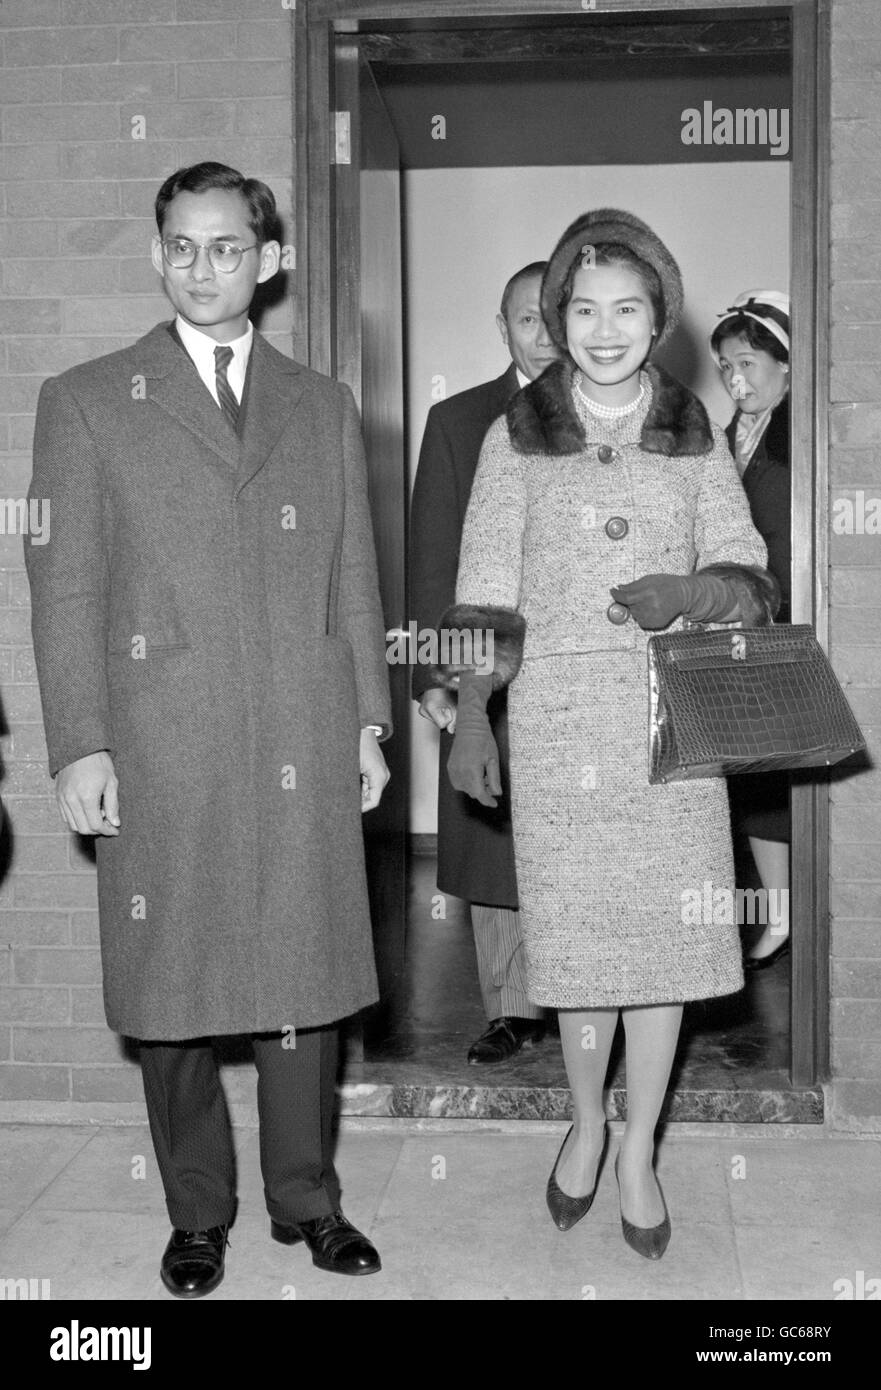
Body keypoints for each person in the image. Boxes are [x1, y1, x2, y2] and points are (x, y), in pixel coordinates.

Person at [25, 162, 392, 1297]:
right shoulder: (87, 398)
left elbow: (352, 578)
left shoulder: (320, 401)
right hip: (159, 737)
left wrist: (369, 722)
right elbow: (65, 586)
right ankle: (196, 1212)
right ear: (156, 255)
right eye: (180, 245)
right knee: (170, 983)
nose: (201, 267)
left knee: (299, 975)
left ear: (267, 262)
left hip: (300, 724)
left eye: (225, 246)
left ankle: (306, 1201)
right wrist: (79, 740)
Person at [433, 209, 778, 1258]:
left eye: (625, 307)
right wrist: (471, 713)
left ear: (656, 317)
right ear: (555, 318)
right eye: (580, 308)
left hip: (666, 718)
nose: (601, 327)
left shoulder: (691, 429)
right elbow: (483, 587)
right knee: (582, 949)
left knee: (661, 951)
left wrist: (693, 589)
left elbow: (749, 569)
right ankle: (583, 1121)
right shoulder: (514, 433)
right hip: (554, 721)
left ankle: (637, 1148)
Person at [410, 263, 560, 1064]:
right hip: (485, 665)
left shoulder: (616, 413)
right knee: (494, 833)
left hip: (579, 664)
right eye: (523, 319)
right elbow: (435, 560)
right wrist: (438, 681)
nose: (539, 332)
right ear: (500, 327)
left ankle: (582, 993)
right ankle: (510, 1006)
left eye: (550, 315)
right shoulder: (457, 419)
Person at [710, 291, 792, 970]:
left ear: (785, 366)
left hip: (780, 629)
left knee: (771, 786)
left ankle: (783, 915)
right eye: (723, 366)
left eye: (746, 361)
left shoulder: (800, 440)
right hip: (733, 629)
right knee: (747, 786)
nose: (734, 377)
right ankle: (773, 911)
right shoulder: (722, 436)